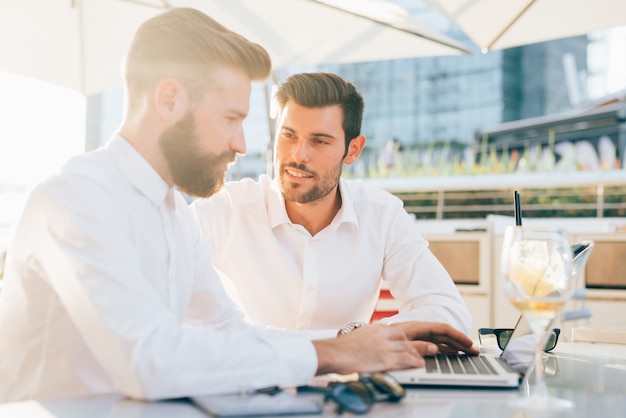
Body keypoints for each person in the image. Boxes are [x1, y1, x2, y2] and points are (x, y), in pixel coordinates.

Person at [0, 8, 477, 403]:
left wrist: (355, 346)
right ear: (168, 99)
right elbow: (147, 360)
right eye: (231, 118)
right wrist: (333, 355)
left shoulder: (168, 212)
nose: (242, 144)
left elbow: (227, 328)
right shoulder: (77, 198)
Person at [190, 73, 472, 338]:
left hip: (349, 387)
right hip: (251, 382)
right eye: (288, 135)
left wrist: (360, 339)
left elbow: (448, 313)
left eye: (319, 141)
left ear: (353, 150)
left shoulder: (382, 215)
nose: (298, 155)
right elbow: (163, 300)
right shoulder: (225, 209)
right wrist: (344, 343)